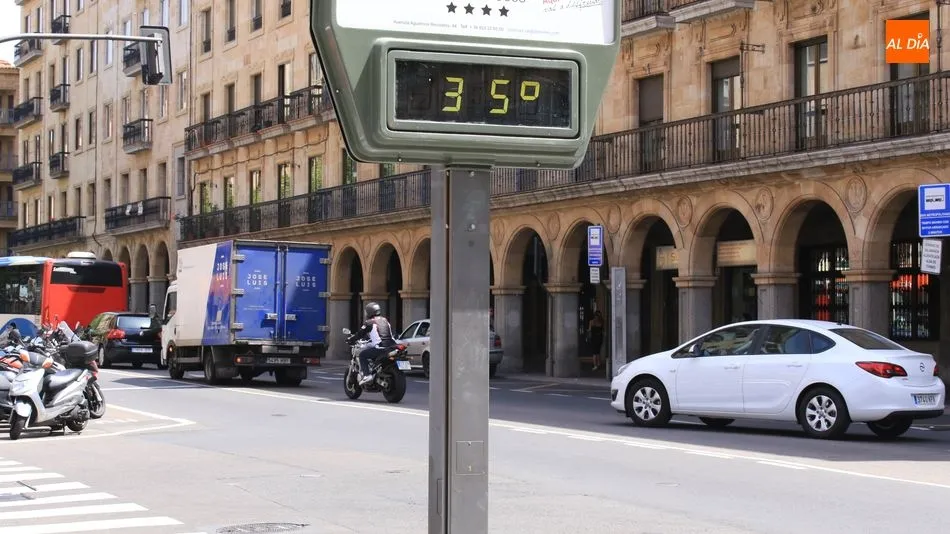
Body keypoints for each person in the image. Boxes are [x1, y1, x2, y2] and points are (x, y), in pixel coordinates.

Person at [347, 302, 397, 386]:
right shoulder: (385, 321)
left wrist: (351, 339)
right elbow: (381, 333)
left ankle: (367, 375)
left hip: (381, 348)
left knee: (363, 355)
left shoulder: (369, 323)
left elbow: (360, 334)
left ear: (369, 312)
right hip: (392, 346)